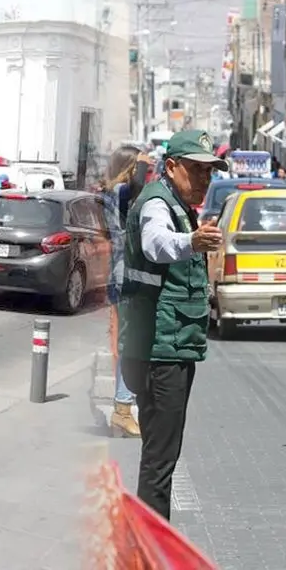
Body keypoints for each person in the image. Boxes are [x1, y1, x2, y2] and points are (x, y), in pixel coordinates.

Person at [118, 130, 226, 521]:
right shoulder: (157, 204)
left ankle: (147, 542)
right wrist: (192, 242)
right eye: (197, 170)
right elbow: (155, 242)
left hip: (169, 344)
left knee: (161, 456)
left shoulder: (178, 205)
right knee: (159, 462)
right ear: (171, 167)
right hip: (158, 350)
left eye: (209, 172)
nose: (205, 179)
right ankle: (149, 546)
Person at [98, 145, 149, 438]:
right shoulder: (120, 192)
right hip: (124, 272)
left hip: (120, 271)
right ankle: (122, 409)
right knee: (131, 342)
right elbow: (137, 185)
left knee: (127, 341)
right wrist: (142, 165)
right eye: (138, 166)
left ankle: (125, 405)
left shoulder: (111, 192)